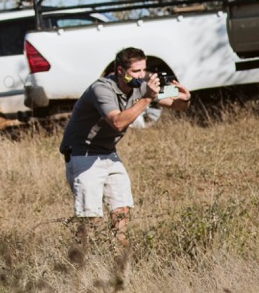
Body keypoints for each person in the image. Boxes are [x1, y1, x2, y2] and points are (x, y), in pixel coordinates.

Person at [58, 46, 191, 248]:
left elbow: (176, 103)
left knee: (121, 210)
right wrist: (147, 98)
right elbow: (117, 122)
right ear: (120, 71)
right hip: (83, 155)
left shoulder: (141, 86)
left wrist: (185, 97)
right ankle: (78, 258)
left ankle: (120, 256)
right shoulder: (101, 89)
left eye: (143, 70)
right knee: (90, 218)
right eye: (135, 71)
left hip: (108, 153)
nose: (141, 75)